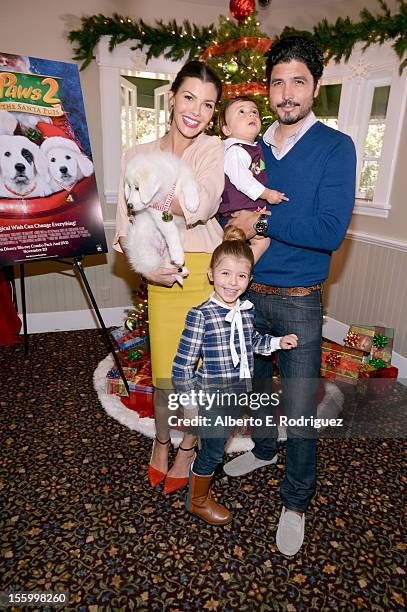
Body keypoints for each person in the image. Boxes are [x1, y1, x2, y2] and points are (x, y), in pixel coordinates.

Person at [225, 36, 357, 556]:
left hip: (301, 299)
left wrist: (261, 218)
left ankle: (297, 500)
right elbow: (225, 201)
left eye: (298, 81)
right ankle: (261, 448)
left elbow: (327, 231)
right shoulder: (252, 148)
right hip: (250, 294)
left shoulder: (335, 146)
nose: (286, 92)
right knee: (256, 386)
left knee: (300, 408)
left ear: (315, 87)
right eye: (277, 82)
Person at [113, 60, 224, 495]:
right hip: (161, 274)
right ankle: (162, 443)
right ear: (173, 97)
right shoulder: (135, 155)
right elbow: (124, 226)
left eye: (208, 104)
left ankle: (187, 449)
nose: (196, 110)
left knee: (196, 377)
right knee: (165, 374)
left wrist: (154, 193)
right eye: (190, 97)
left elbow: (205, 204)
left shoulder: (213, 150)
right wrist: (146, 269)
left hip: (204, 275)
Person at [172, 226, 298, 525]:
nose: (233, 282)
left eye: (241, 276)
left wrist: (278, 343)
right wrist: (190, 405)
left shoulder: (245, 310)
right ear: (211, 275)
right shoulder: (200, 314)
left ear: (249, 279)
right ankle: (197, 500)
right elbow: (182, 366)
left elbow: (253, 342)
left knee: (217, 444)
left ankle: (199, 485)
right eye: (225, 274)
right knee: (214, 453)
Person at [218, 96, 288, 262]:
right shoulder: (235, 150)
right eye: (241, 112)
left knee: (262, 242)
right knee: (232, 246)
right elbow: (241, 180)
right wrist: (266, 194)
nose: (251, 115)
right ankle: (225, 271)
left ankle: (244, 268)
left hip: (252, 211)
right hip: (235, 213)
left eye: (254, 112)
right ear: (227, 130)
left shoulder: (254, 148)